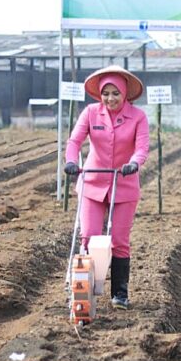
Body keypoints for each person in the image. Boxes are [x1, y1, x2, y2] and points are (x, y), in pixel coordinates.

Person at [64, 65, 149, 310]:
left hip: (123, 183)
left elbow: (142, 147)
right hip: (92, 180)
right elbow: (75, 140)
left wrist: (134, 163)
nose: (110, 98)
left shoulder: (138, 117)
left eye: (115, 93)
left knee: (119, 240)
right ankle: (83, 292)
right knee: (88, 236)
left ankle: (120, 293)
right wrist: (71, 161)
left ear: (124, 94)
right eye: (105, 93)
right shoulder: (90, 113)